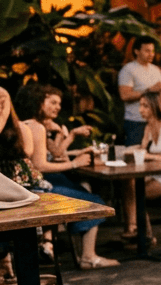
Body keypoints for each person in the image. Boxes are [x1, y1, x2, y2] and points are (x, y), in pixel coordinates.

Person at [12, 85, 117, 269]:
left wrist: (66, 136)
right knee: (93, 201)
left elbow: (56, 153)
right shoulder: (36, 127)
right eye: (52, 102)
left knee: (84, 190)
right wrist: (75, 163)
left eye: (59, 103)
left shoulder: (32, 124)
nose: (57, 107)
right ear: (39, 102)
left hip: (43, 182)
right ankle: (88, 257)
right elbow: (40, 165)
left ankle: (69, 249)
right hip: (42, 185)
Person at [120, 92, 161, 236]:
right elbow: (142, 150)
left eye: (145, 106)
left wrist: (150, 156)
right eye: (140, 105)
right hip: (157, 174)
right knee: (128, 184)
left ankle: (143, 234)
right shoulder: (149, 127)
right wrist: (132, 151)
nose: (140, 110)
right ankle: (134, 229)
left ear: (155, 106)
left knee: (138, 193)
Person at [118, 35, 161, 146]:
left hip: (156, 122)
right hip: (136, 122)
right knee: (135, 157)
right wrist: (149, 90)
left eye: (152, 51)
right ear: (137, 51)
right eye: (147, 51)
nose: (151, 54)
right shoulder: (128, 69)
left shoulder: (156, 70)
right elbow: (124, 95)